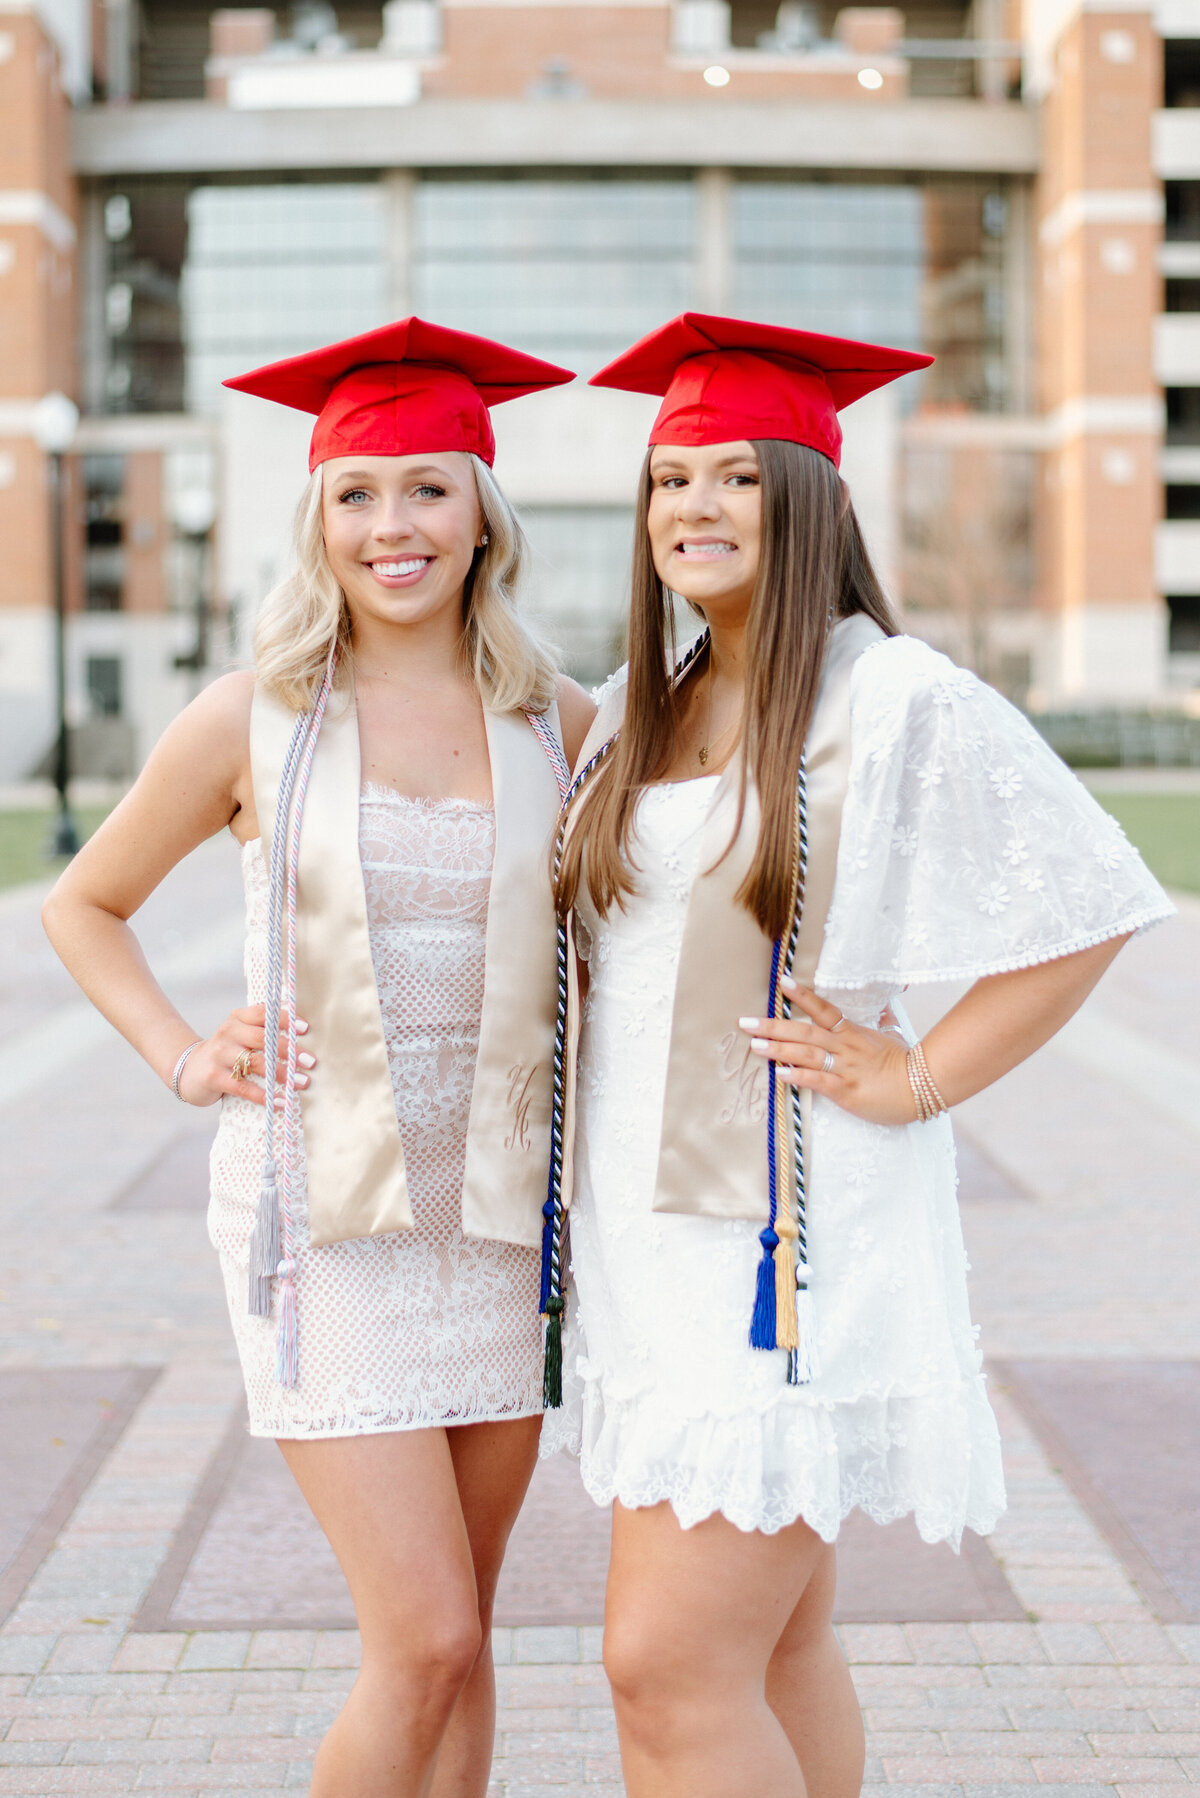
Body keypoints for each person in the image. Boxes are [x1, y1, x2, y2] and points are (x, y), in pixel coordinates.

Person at [538, 312, 1173, 1798]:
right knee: (773, 1649)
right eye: (669, 478)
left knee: (667, 1666)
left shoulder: (891, 698)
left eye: (737, 479)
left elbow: (1088, 904)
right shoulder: (648, 702)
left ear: (811, 496)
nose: (692, 507)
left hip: (783, 1248)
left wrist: (917, 1071)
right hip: (652, 1248)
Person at [42, 318, 595, 1798]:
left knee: (469, 1637)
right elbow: (81, 902)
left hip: (495, 1223)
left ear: (484, 508)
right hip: (320, 1232)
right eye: (357, 493)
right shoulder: (252, 719)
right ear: (316, 519)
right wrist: (179, 1048)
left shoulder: (560, 720)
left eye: (428, 487)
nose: (393, 524)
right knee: (415, 1637)